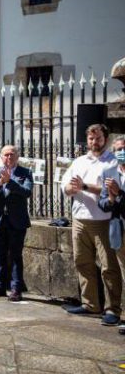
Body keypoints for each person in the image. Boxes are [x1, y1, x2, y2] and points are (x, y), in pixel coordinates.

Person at [60, 123, 120, 326]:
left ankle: (112, 309)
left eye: (99, 139)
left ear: (106, 139)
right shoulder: (79, 161)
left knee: (108, 267)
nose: (94, 142)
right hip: (79, 218)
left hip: (102, 220)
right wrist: (71, 188)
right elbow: (66, 185)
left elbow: (110, 191)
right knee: (82, 262)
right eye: (91, 139)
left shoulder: (111, 162)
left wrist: (84, 186)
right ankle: (90, 303)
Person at [0, 145, 33, 301]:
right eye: (6, 155)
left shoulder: (25, 172)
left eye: (12, 154)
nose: (9, 158)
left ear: (17, 156)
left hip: (17, 221)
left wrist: (10, 182)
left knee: (15, 255)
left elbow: (27, 192)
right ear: (1, 157)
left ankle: (16, 289)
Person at [99, 135, 125, 331]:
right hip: (119, 230)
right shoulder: (109, 171)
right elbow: (104, 203)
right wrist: (111, 198)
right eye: (117, 150)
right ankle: (117, 313)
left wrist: (120, 194)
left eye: (123, 148)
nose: (120, 153)